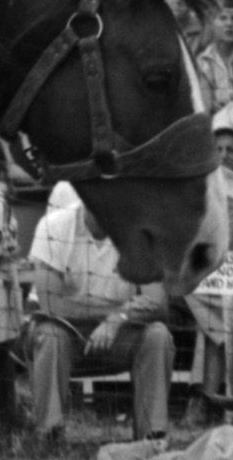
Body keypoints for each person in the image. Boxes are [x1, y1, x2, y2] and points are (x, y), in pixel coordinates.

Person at [19, 185, 176, 444]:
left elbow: (159, 303)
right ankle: (48, 434)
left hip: (119, 335)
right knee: (49, 334)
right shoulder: (54, 226)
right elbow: (50, 305)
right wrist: (116, 311)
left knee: (158, 335)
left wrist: (118, 319)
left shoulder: (141, 232)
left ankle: (152, 437)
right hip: (65, 332)